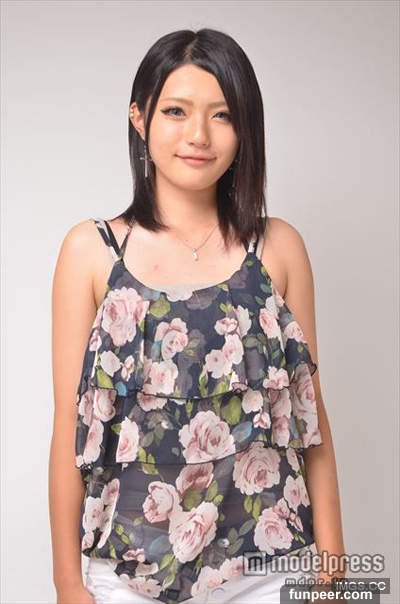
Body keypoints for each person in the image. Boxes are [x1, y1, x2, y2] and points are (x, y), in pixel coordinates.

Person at [49, 28, 346, 604]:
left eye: (222, 115)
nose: (198, 135)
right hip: (127, 571)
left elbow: (312, 421)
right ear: (139, 118)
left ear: (245, 129)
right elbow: (68, 429)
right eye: (176, 111)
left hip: (272, 570)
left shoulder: (277, 248)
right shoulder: (92, 251)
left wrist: (333, 571)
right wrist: (67, 583)